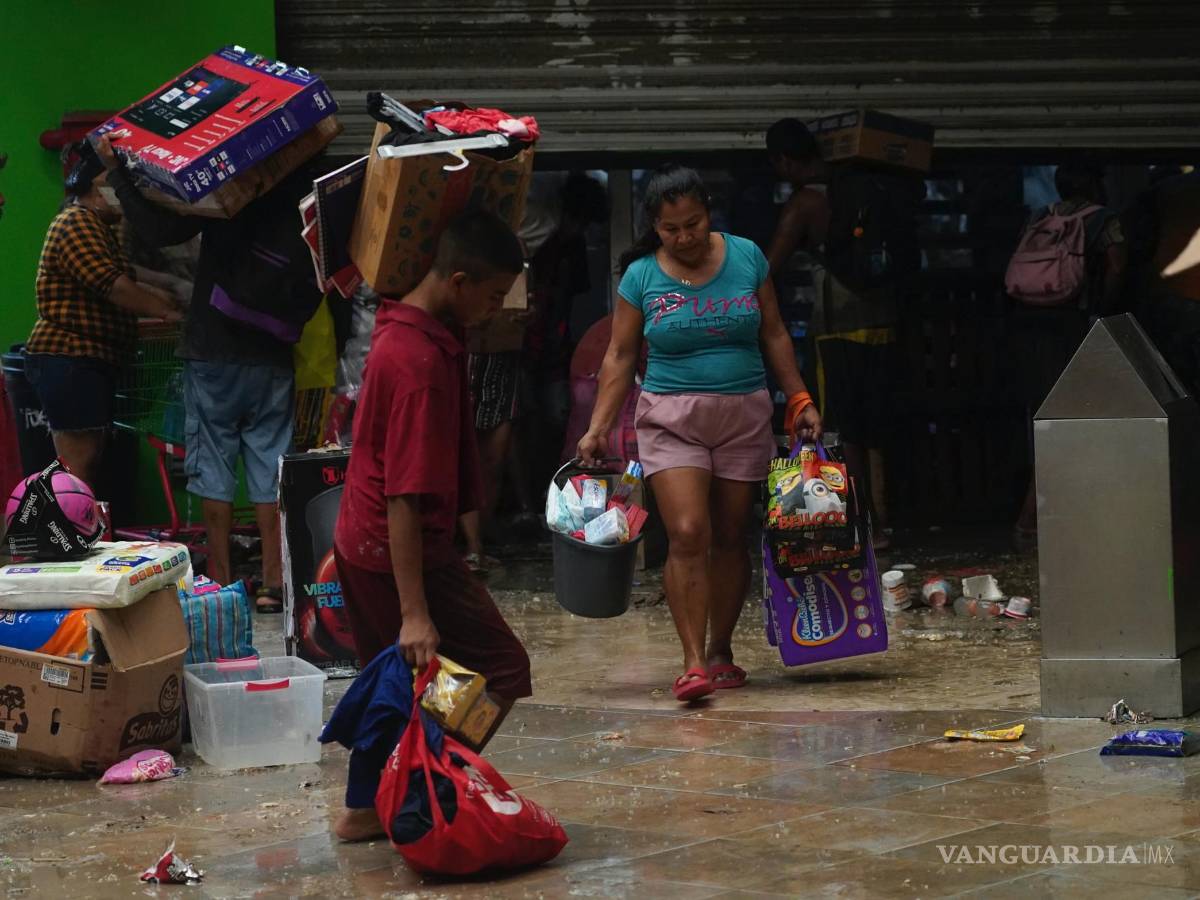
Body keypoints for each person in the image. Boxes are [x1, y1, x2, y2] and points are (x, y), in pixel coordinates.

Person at [578, 165, 821, 703]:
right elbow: (619, 355)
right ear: (655, 228)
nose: (684, 237)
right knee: (689, 531)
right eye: (671, 230)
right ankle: (692, 664)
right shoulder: (640, 276)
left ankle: (721, 650)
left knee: (733, 535)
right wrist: (597, 428)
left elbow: (775, 332)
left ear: (709, 213)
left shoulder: (747, 257)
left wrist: (799, 397)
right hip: (670, 418)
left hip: (744, 414)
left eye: (693, 223)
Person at [332, 209, 531, 840]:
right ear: (459, 280)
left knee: (395, 679)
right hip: (395, 543)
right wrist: (416, 612)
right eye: (495, 295)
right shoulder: (416, 363)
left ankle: (367, 808)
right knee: (499, 665)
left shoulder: (416, 326)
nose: (499, 308)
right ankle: (417, 784)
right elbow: (406, 500)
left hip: (366, 542)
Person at [96, 136, 318, 611]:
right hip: (273, 352)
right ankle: (274, 583)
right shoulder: (305, 193)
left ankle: (220, 580)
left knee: (214, 464)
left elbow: (158, 230)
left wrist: (119, 173)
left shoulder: (232, 188)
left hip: (214, 349)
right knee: (269, 467)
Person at [763, 118, 899, 548]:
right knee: (877, 425)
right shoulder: (859, 185)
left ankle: (863, 521)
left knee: (843, 424)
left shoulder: (806, 202)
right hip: (882, 319)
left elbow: (767, 268)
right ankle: (886, 520)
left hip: (838, 325)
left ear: (785, 160)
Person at [24, 143, 181, 488]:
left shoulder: (99, 228)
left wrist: (171, 292)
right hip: (69, 357)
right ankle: (68, 537)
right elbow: (114, 285)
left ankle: (77, 535)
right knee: (77, 462)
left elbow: (128, 276)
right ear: (99, 186)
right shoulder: (77, 222)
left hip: (86, 360)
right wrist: (168, 312)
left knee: (87, 458)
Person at [1011, 163, 1126, 548]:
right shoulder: (1102, 219)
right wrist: (1104, 311)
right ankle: (1032, 520)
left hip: (1030, 327)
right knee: (1072, 419)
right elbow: (1117, 267)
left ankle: (1041, 517)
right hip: (1071, 325)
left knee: (1045, 418)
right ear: (1094, 183)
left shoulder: (1040, 216)